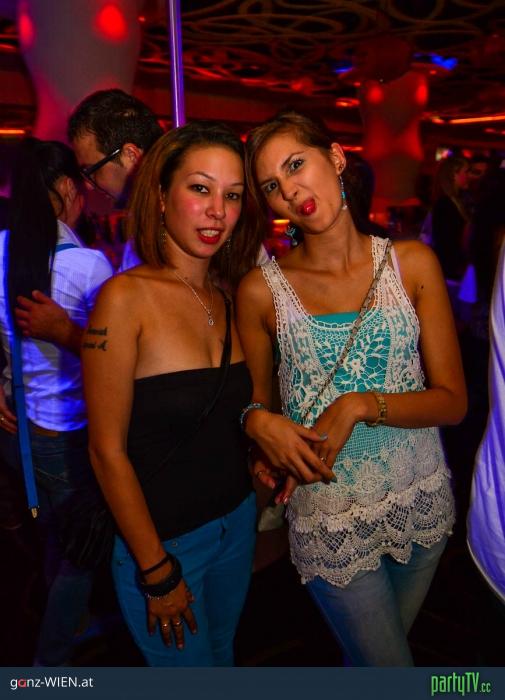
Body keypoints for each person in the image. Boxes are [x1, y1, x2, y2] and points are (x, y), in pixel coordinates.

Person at [237, 111, 467, 666]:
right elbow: (255, 402)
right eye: (271, 185)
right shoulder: (261, 291)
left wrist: (360, 405)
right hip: (330, 513)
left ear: (336, 157)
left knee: (370, 666)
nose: (290, 191)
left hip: (420, 499)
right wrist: (262, 433)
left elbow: (453, 402)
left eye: (297, 165)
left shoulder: (412, 264)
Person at [81, 121, 262, 666]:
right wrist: (157, 571)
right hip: (164, 544)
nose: (217, 212)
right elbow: (105, 451)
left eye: (233, 195)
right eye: (200, 188)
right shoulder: (123, 298)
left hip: (237, 523)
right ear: (161, 196)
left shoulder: (229, 294)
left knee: (224, 658)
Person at [0, 138, 113, 665]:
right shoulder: (89, 265)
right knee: (80, 554)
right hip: (67, 433)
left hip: (16, 430)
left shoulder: (1, 249)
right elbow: (112, 357)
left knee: (51, 536)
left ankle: (67, 621)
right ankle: (50, 664)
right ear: (67, 187)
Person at [430, 155, 470, 285]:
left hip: (452, 269)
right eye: (466, 172)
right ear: (454, 175)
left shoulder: (457, 201)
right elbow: (447, 242)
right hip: (449, 271)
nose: (468, 176)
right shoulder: (445, 205)